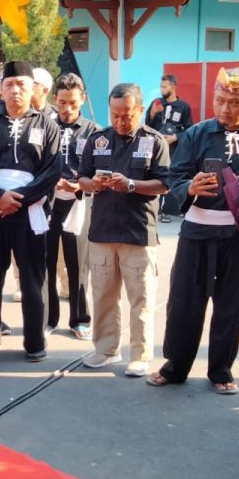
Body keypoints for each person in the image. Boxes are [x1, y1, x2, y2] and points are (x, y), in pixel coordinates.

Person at [147, 67, 239, 393]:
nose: (225, 108)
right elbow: (174, 178)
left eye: (235, 102)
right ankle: (175, 365)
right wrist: (190, 188)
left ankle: (221, 370)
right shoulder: (196, 133)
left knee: (231, 304)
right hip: (197, 231)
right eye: (219, 100)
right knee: (184, 302)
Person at [77, 83, 169, 377]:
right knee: (103, 295)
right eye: (115, 115)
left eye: (127, 115)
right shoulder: (97, 140)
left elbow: (164, 184)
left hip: (138, 233)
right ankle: (106, 349)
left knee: (140, 299)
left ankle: (140, 355)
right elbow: (82, 179)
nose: (120, 121)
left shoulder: (155, 142)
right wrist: (94, 184)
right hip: (102, 232)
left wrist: (131, 185)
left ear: (140, 111)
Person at [0, 61, 61, 361]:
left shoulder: (47, 125)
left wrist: (18, 199)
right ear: (0, 89)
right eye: (9, 85)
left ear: (33, 88)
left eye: (21, 85)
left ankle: (35, 342)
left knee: (33, 278)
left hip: (29, 211)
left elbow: (51, 172)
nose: (14, 91)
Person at [45, 73, 98, 339]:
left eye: (73, 103)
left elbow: (101, 171)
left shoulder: (94, 131)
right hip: (47, 202)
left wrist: (81, 185)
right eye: (62, 102)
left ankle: (79, 318)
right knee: (45, 261)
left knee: (78, 263)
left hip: (78, 203)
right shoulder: (43, 126)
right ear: (55, 99)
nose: (67, 109)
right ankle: (47, 317)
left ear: (83, 99)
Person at [146, 74, 194, 221]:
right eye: (161, 86)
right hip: (157, 148)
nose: (162, 89)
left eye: (165, 87)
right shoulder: (157, 103)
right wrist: (153, 113)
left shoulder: (183, 107)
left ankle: (173, 209)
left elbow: (189, 129)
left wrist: (175, 138)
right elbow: (148, 125)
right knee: (158, 175)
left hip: (175, 148)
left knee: (173, 175)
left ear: (173, 87)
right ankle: (159, 211)